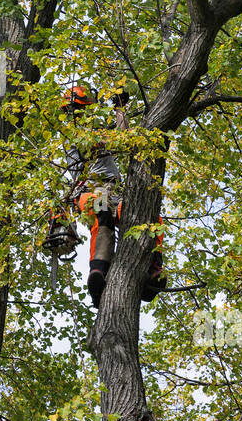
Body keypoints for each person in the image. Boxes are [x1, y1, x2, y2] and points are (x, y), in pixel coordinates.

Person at [60, 84, 166, 308]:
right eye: (75, 111)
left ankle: (152, 268)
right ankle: (98, 271)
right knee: (102, 214)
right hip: (91, 190)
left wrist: (120, 109)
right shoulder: (74, 134)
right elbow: (118, 141)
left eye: (80, 110)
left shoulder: (93, 129)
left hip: (115, 190)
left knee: (148, 218)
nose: (77, 115)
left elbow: (128, 140)